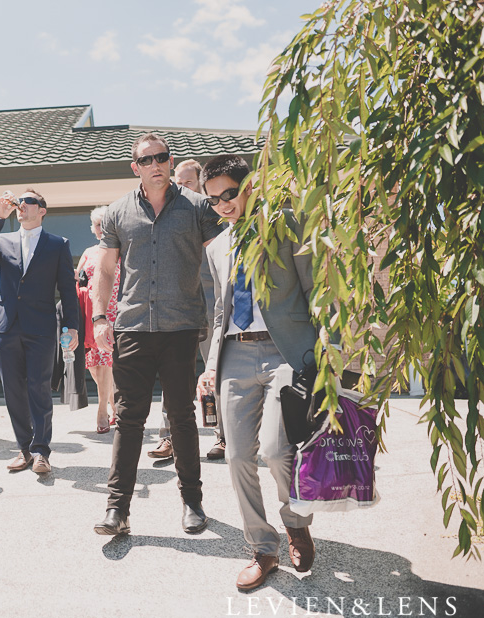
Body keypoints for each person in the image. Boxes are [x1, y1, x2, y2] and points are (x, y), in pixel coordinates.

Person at [92, 133, 222, 537]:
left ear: (170, 161)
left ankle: (193, 502)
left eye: (162, 158)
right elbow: (107, 270)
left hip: (182, 326)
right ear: (136, 167)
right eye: (147, 159)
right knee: (129, 419)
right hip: (132, 327)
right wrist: (99, 318)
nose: (156, 165)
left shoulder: (199, 208)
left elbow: (222, 257)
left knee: (182, 417)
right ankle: (118, 509)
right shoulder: (117, 212)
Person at [197, 154, 317, 590]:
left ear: (250, 185)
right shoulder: (216, 247)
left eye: (230, 193)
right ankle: (263, 549)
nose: (224, 204)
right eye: (213, 200)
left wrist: (333, 355)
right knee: (236, 456)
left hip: (286, 353)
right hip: (235, 356)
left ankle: (296, 521)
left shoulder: (287, 224)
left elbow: (315, 291)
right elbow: (218, 313)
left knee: (274, 449)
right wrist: (210, 366)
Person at [0, 188, 79, 475]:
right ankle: (24, 448)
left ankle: (41, 450)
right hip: (7, 325)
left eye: (28, 201)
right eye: (19, 201)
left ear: (42, 210)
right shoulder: (5, 239)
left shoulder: (58, 244)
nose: (21, 205)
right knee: (13, 391)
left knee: (39, 387)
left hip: (41, 327)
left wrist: (72, 327)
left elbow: (68, 291)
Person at [148, 158, 226, 460]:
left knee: (214, 374)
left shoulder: (214, 220)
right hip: (177, 311)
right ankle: (168, 438)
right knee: (172, 377)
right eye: (177, 182)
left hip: (210, 308)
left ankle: (222, 437)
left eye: (187, 182)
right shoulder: (169, 218)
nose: (181, 187)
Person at [75, 206, 120, 434]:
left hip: (113, 313)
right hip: (90, 313)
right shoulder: (88, 252)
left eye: (105, 223)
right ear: (93, 229)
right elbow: (78, 279)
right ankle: (113, 404)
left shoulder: (122, 249)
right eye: (97, 224)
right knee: (93, 365)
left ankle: (102, 410)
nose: (101, 228)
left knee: (106, 362)